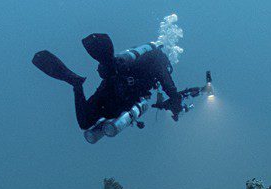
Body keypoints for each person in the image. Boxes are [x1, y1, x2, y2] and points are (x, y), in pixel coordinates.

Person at [32, 33, 185, 132]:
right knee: (88, 120)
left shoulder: (148, 59)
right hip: (123, 89)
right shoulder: (158, 58)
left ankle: (76, 84)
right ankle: (99, 70)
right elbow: (163, 73)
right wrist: (175, 98)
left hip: (115, 89)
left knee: (85, 122)